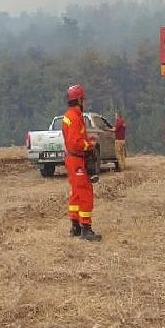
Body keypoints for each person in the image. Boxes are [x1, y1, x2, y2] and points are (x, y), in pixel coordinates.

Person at [62, 84, 101, 241]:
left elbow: (74, 140)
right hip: (77, 159)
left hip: (71, 159)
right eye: (82, 99)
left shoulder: (69, 115)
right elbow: (75, 143)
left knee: (75, 193)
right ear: (79, 99)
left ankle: (76, 226)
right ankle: (86, 228)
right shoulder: (74, 117)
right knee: (85, 192)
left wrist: (86, 140)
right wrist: (89, 145)